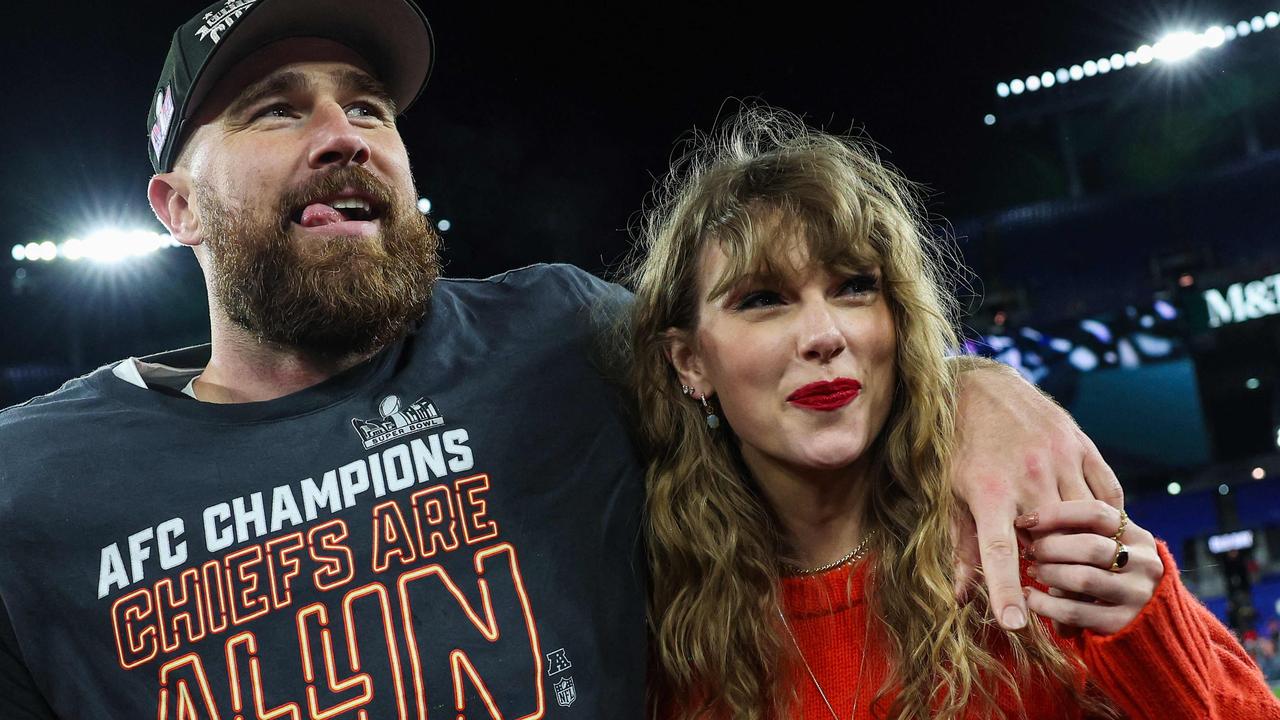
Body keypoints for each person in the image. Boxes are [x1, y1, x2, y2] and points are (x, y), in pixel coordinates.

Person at [0, 1, 1125, 717]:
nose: (342, 131)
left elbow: (781, 350)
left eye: (368, 106)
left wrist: (980, 389)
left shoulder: (558, 336)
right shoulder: (31, 487)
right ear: (175, 205)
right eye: (272, 111)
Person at [628, 108, 1280, 719]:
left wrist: (1151, 637)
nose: (824, 335)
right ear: (690, 362)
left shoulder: (1022, 545)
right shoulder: (650, 623)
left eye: (855, 286)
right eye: (763, 298)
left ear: (898, 321)